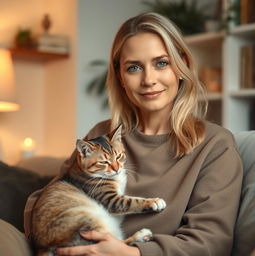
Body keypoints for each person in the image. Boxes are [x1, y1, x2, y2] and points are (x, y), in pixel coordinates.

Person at [23, 12, 242, 256]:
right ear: (121, 76)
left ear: (182, 66)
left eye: (161, 63)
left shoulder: (215, 145)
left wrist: (132, 253)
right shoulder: (102, 134)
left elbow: (211, 243)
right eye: (134, 67)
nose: (148, 80)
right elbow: (47, 201)